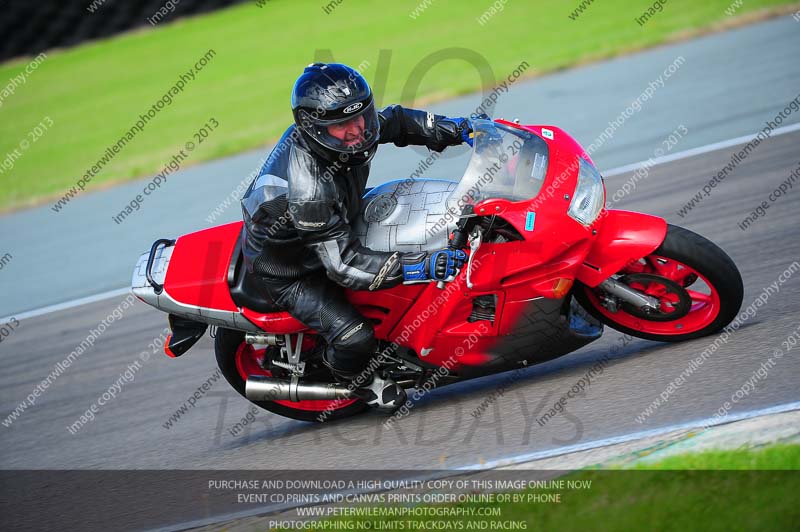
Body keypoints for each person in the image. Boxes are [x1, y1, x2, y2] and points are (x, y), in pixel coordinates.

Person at [240, 63, 471, 410]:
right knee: (355, 337)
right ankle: (355, 379)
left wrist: (460, 129)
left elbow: (395, 121)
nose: (356, 132)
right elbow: (344, 266)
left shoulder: (350, 131)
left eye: (359, 117)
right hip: (293, 270)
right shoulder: (309, 192)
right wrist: (424, 265)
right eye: (340, 125)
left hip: (335, 220)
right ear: (314, 127)